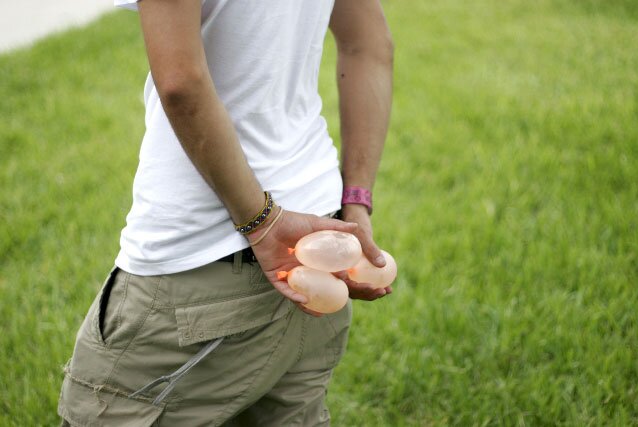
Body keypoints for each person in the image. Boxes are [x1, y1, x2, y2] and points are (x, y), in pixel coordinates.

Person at [58, 0, 394, 425]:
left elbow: (181, 81)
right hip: (317, 245)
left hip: (201, 268)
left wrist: (264, 222)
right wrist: (356, 203)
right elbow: (369, 42)